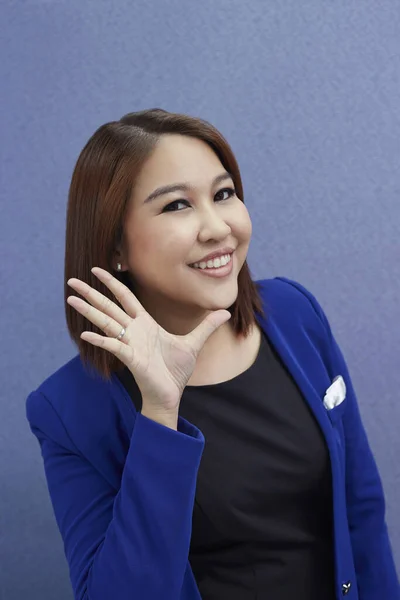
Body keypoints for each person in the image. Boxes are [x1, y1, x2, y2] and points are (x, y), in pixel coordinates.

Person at [26, 108, 399, 600]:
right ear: (115, 245)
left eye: (223, 194)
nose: (217, 227)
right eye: (177, 206)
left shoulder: (294, 312)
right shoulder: (67, 408)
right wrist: (161, 412)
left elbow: (362, 511)